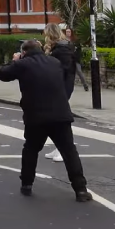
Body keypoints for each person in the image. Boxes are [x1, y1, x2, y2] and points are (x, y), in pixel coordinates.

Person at [0, 40, 93, 202]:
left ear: (24, 52)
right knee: (69, 152)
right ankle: (81, 190)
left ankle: (27, 184)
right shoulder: (55, 62)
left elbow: (2, 74)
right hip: (60, 115)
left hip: (36, 116)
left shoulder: (23, 64)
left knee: (31, 150)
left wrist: (15, 60)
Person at [43, 23, 77, 163]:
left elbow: (62, 70)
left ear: (50, 34)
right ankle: (59, 147)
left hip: (61, 88)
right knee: (53, 120)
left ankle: (64, 150)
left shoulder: (62, 49)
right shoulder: (60, 47)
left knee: (60, 120)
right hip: (59, 87)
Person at [64, 27, 89, 92]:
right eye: (67, 32)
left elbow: (79, 51)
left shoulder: (75, 41)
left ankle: (85, 85)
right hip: (67, 59)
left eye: (69, 32)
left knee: (79, 71)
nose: (68, 33)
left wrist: (75, 56)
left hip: (75, 59)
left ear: (71, 33)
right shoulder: (64, 41)